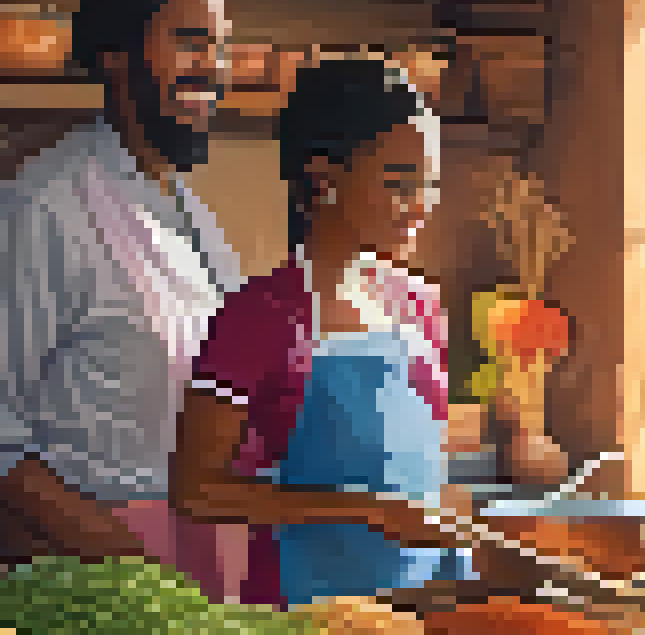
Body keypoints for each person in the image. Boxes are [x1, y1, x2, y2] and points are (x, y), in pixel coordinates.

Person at [0, 0, 248, 598]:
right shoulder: (45, 207)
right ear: (115, 56)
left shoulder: (193, 215)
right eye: (189, 44)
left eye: (220, 47)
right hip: (99, 570)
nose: (212, 68)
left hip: (207, 557)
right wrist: (117, 555)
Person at [170, 58, 470, 607]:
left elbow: (415, 465)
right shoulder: (257, 315)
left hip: (424, 604)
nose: (420, 206)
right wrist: (371, 512)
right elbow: (196, 492)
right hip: (305, 614)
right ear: (323, 175)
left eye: (429, 184)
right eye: (398, 183)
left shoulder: (422, 305)